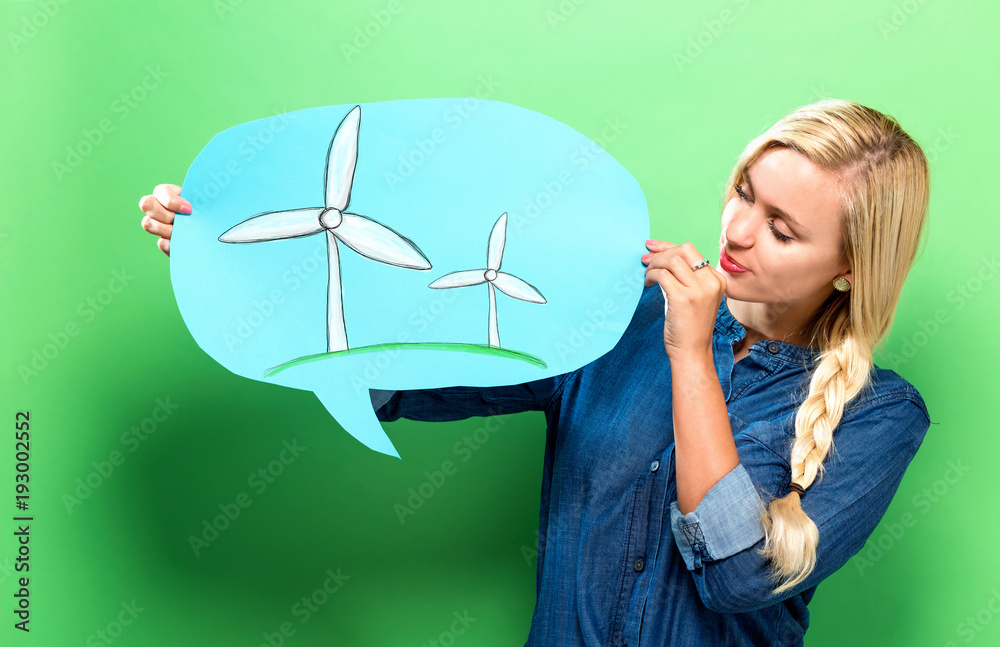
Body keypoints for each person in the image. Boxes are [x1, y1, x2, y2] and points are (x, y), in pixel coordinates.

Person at [139, 99, 931, 646]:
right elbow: (407, 380)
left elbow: (736, 576)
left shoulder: (879, 415)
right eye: (743, 193)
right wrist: (237, 256)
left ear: (851, 269)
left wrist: (689, 352)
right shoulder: (615, 312)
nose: (740, 230)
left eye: (783, 229)